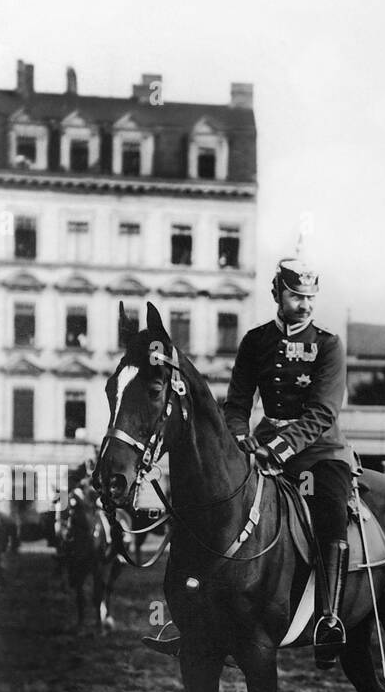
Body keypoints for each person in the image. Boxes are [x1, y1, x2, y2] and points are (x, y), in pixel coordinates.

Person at [143, 257, 351, 669]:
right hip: (260, 447)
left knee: (331, 510)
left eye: (310, 297)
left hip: (318, 452)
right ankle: (193, 617)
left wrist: (278, 448)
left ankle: (329, 617)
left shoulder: (328, 345)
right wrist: (239, 440)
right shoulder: (256, 342)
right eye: (296, 295)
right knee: (213, 506)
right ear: (278, 294)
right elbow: (236, 404)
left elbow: (323, 412)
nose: (305, 305)